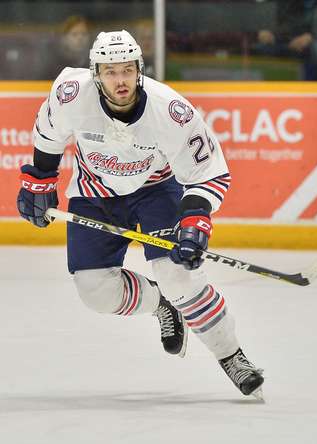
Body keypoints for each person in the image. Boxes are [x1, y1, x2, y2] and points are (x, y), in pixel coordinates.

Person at [17, 30, 264, 398]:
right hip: (95, 190)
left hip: (155, 190)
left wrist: (195, 221)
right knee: (96, 292)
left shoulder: (171, 111)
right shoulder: (71, 92)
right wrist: (39, 182)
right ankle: (160, 303)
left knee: (179, 278)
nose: (121, 80)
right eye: (111, 71)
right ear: (96, 73)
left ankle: (232, 355)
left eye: (128, 70)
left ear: (140, 69)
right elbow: (48, 136)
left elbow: (208, 172)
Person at [255, 0, 317, 80]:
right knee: (262, 48)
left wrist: (313, 37)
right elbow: (288, 24)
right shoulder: (291, 4)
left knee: (315, 51)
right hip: (292, 46)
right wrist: (271, 31)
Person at [40, 15, 91, 80]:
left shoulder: (93, 61)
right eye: (74, 34)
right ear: (64, 38)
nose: (80, 38)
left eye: (84, 34)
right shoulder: (53, 63)